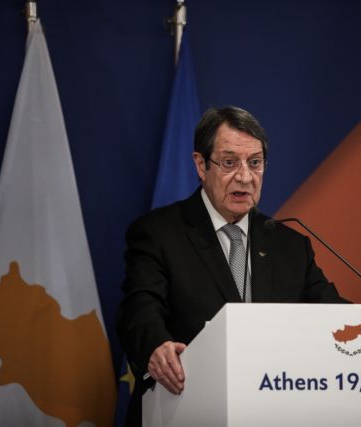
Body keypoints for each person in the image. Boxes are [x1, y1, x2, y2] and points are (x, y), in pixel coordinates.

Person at [116, 106, 348, 426]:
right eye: (229, 162)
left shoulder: (290, 246)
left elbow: (333, 314)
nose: (244, 177)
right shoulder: (158, 233)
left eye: (255, 163)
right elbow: (140, 307)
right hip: (185, 410)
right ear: (201, 165)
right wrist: (156, 346)